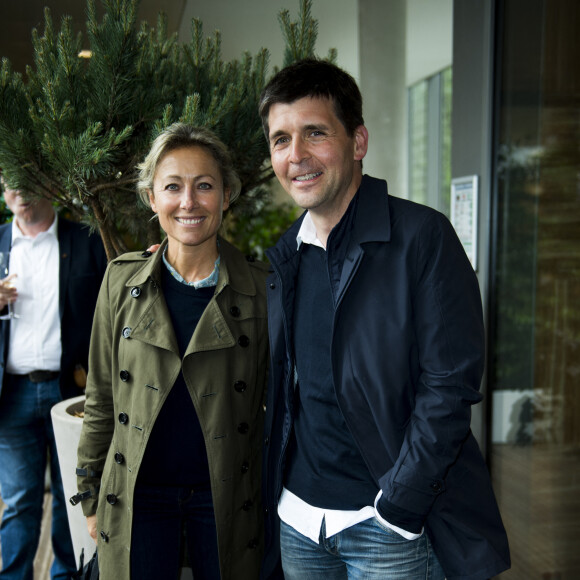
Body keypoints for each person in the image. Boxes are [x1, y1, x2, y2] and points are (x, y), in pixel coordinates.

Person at [259, 58, 511, 580]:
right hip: (299, 522)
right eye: (281, 139)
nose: (297, 156)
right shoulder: (286, 254)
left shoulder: (422, 238)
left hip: (385, 527)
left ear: (358, 142)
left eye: (314, 133)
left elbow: (450, 386)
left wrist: (399, 505)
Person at [74, 123, 269, 580]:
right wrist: (90, 494)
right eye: (173, 187)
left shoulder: (260, 290)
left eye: (204, 186)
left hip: (225, 499)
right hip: (138, 496)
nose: (189, 202)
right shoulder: (122, 283)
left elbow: (274, 410)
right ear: (150, 197)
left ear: (226, 195)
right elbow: (102, 395)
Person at [0, 178, 107, 580]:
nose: (19, 191)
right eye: (8, 183)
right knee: (19, 500)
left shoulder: (85, 239)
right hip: (11, 395)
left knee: (71, 497)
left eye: (25, 180)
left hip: (71, 395)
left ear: (48, 183)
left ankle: (66, 575)